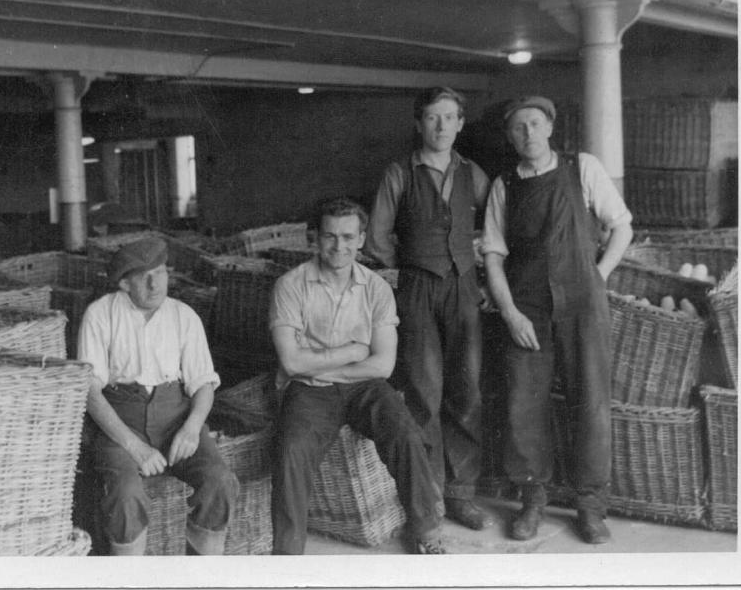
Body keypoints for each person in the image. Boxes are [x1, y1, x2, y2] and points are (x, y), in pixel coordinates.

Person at [481, 95, 633, 545]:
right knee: (522, 405)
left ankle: (590, 507)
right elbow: (492, 254)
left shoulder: (581, 167)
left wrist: (597, 277)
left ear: (549, 127)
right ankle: (532, 502)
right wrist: (509, 313)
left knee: (591, 401)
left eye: (535, 124)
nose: (528, 134)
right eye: (518, 128)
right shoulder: (504, 185)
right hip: (527, 310)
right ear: (510, 136)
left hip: (583, 307)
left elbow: (622, 225)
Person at [270, 197, 451, 554]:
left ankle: (426, 531)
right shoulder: (290, 286)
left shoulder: (377, 288)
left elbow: (382, 366)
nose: (339, 247)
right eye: (330, 236)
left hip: (363, 386)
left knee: (406, 433)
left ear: (362, 238)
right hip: (310, 392)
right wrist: (353, 352)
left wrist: (321, 364)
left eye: (348, 237)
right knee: (291, 452)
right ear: (315, 238)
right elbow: (290, 364)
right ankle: (287, 559)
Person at [365, 86, 493, 531]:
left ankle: (462, 494)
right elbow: (377, 238)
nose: (441, 126)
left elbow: (494, 219)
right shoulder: (399, 172)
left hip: (464, 289)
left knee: (467, 389)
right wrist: (407, 271)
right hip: (417, 288)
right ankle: (430, 495)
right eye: (432, 118)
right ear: (419, 123)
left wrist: (477, 261)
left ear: (460, 123)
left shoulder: (471, 173)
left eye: (450, 117)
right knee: (423, 392)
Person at [78, 236, 239, 555]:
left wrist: (192, 429)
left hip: (176, 419)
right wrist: (134, 446)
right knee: (124, 494)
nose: (155, 284)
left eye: (161, 272)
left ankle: (200, 578)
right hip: (122, 423)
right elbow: (90, 391)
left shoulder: (184, 316)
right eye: (144, 277)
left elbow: (203, 384)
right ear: (124, 284)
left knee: (220, 481)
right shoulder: (100, 315)